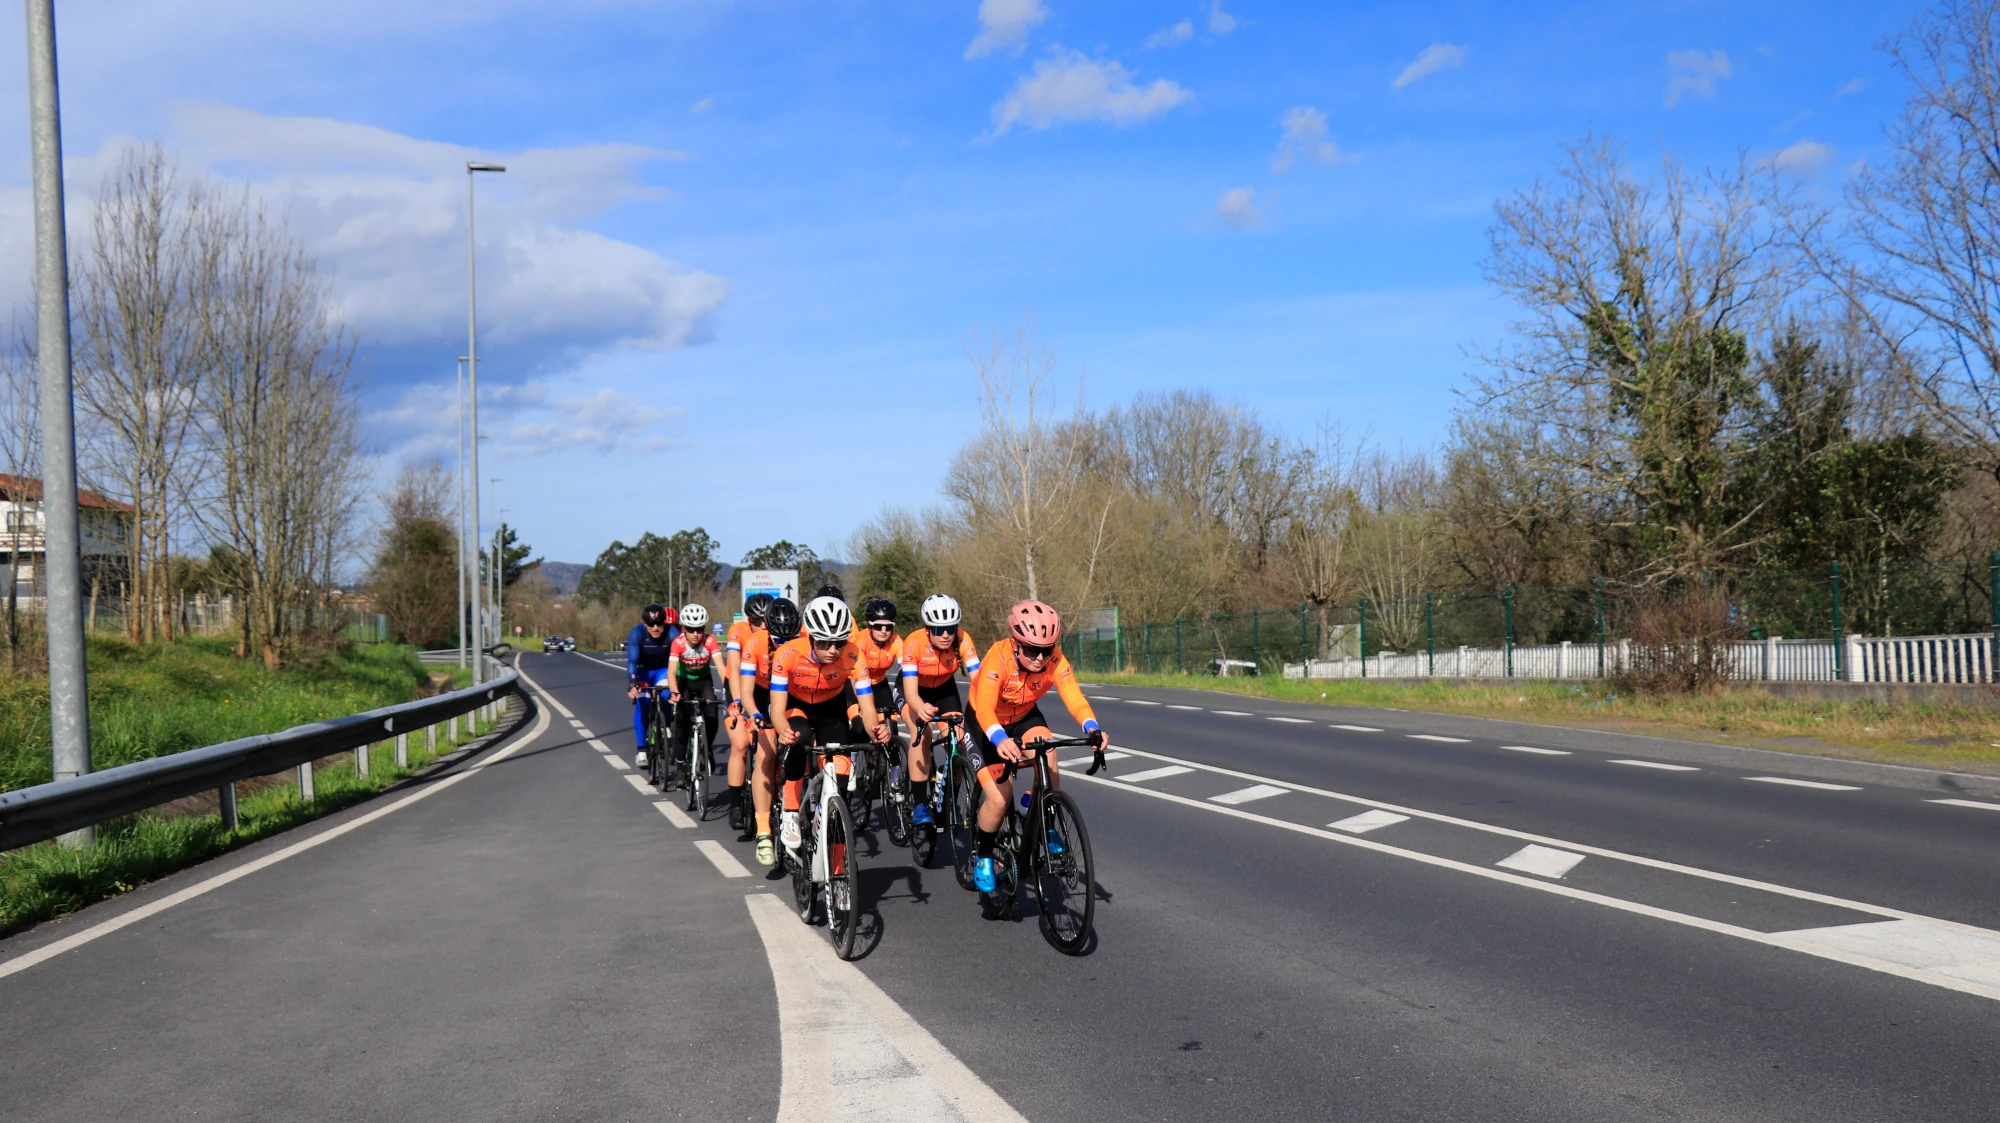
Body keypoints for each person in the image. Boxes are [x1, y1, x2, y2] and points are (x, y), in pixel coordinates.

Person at [966, 599, 1108, 893]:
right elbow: (985, 708)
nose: (1041, 658)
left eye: (1047, 650)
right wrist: (999, 739)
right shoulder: (998, 658)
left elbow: (1074, 697)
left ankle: (1045, 819)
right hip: (986, 723)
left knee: (1049, 755)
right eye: (1032, 650)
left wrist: (1092, 728)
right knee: (1000, 799)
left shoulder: (1055, 659)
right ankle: (983, 856)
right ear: (1015, 643)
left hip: (1024, 715)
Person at [768, 596, 890, 858]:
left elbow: (867, 707)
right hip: (796, 705)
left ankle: (836, 853)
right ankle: (790, 810)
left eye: (839, 642)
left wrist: (876, 729)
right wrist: (782, 729)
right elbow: (777, 710)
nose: (833, 650)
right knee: (798, 737)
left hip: (831, 708)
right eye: (825, 642)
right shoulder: (788, 653)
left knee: (842, 774)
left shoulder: (854, 655)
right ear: (811, 637)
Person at [898, 593, 982, 830]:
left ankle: (950, 797)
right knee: (922, 734)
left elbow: (979, 681)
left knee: (959, 742)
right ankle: (919, 804)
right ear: (928, 629)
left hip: (945, 689)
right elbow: (911, 693)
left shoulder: (963, 639)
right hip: (914, 690)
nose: (946, 634)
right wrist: (920, 707)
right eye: (938, 629)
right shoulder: (914, 643)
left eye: (951, 628)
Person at [740, 597, 802, 866]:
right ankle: (763, 829)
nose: (784, 645)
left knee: (802, 743)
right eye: (779, 640)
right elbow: (745, 690)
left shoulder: (804, 641)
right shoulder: (755, 644)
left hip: (792, 694)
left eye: (790, 639)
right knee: (765, 757)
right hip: (762, 694)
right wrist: (754, 714)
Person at [723, 593, 775, 833]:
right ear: (748, 620)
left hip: (767, 687)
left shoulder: (777, 634)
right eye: (756, 621)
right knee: (741, 744)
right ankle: (735, 804)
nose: (762, 626)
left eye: (766, 620)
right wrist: (737, 701)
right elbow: (734, 668)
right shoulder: (738, 631)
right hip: (739, 685)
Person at [666, 603, 724, 790]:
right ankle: (681, 766)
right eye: (691, 629)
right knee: (682, 722)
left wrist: (729, 691)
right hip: (683, 682)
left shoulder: (710, 641)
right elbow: (671, 671)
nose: (696, 634)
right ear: (684, 628)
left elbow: (721, 668)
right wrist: (674, 691)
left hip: (703, 680)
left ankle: (707, 749)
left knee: (713, 714)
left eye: (700, 629)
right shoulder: (678, 643)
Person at [625, 602, 679, 769]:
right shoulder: (637, 633)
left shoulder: (672, 632)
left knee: (667, 694)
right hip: (643, 672)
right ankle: (641, 750)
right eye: (651, 623)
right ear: (644, 623)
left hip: (663, 671)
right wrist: (632, 682)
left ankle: (665, 723)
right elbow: (632, 661)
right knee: (643, 703)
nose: (655, 628)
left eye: (659, 623)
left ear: (664, 622)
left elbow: (680, 659)